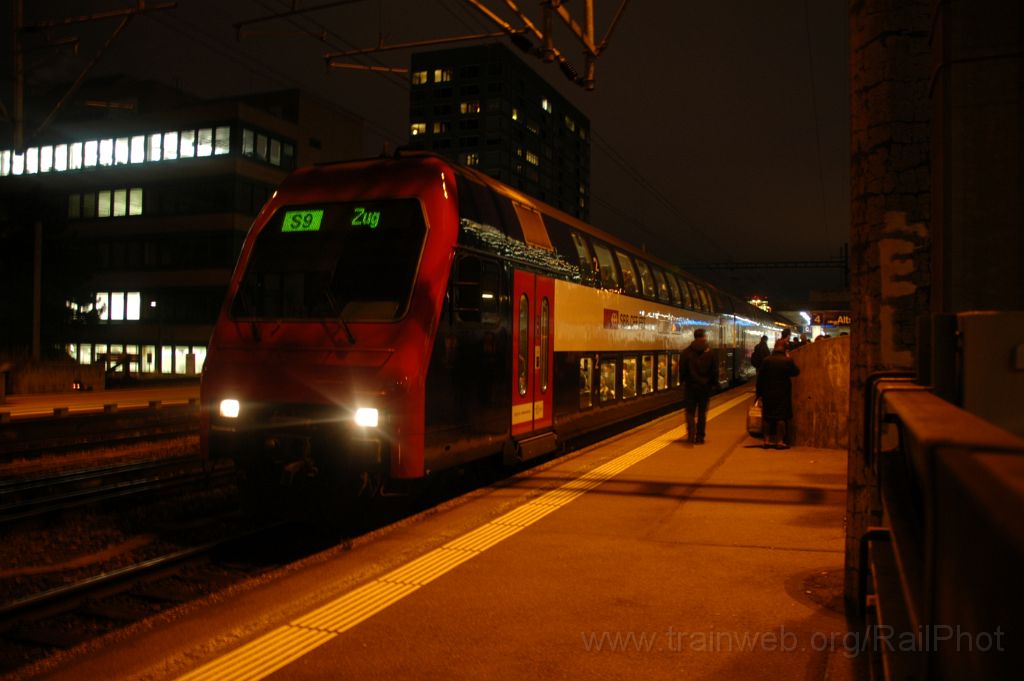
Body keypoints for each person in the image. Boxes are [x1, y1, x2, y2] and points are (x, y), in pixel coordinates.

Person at [756, 338, 800, 449]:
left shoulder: (766, 360)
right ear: (785, 350)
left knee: (767, 417)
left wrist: (759, 394)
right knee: (781, 417)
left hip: (768, 392)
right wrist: (790, 358)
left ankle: (766, 440)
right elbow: (796, 372)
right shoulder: (787, 361)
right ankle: (780, 442)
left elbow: (760, 379)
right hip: (782, 393)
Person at [681, 328, 716, 444]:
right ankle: (700, 437)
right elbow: (714, 371)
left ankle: (691, 433)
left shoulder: (686, 352)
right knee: (702, 413)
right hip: (705, 388)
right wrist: (713, 384)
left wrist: (683, 382)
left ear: (694, 337)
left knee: (690, 412)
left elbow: (682, 370)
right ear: (704, 337)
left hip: (690, 387)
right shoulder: (710, 352)